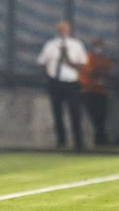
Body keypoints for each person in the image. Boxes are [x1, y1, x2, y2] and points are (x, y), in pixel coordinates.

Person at [37, 21, 88, 151]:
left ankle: (78, 142)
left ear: (69, 31)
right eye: (61, 30)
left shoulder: (76, 45)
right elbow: (42, 61)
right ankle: (61, 141)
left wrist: (70, 62)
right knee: (57, 113)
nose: (63, 32)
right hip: (56, 82)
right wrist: (50, 73)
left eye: (66, 29)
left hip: (71, 82)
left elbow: (83, 64)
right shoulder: (51, 45)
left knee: (75, 113)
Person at [79, 38, 114, 146]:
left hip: (101, 91)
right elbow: (91, 72)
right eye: (98, 45)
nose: (100, 48)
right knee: (94, 117)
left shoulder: (105, 59)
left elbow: (109, 73)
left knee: (102, 117)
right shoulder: (88, 58)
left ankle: (101, 140)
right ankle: (99, 139)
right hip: (89, 91)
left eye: (101, 45)